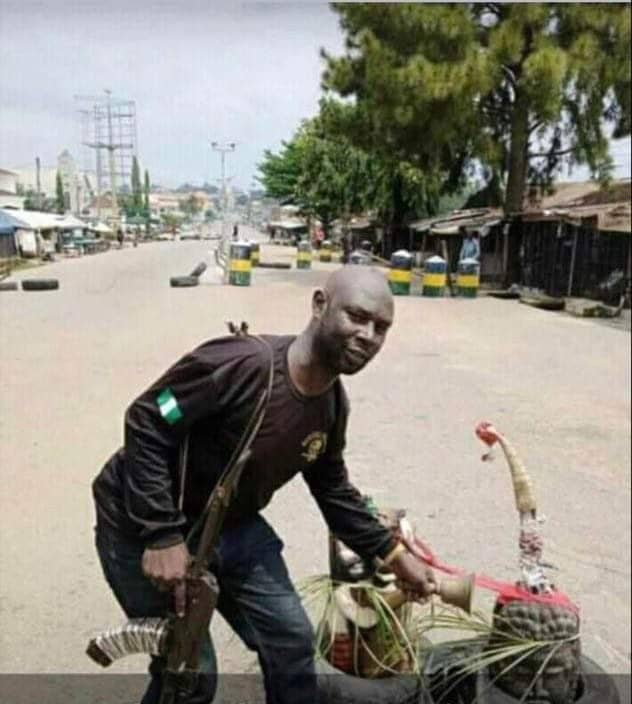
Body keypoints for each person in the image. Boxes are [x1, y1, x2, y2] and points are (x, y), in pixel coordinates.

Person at [91, 266, 436, 704]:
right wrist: (161, 532)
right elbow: (148, 420)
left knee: (291, 644)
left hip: (230, 524)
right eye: (357, 316)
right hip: (139, 523)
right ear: (319, 305)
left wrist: (393, 554)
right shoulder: (238, 366)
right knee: (189, 674)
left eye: (381, 327)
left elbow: (332, 489)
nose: (369, 336)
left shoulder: (330, 405)